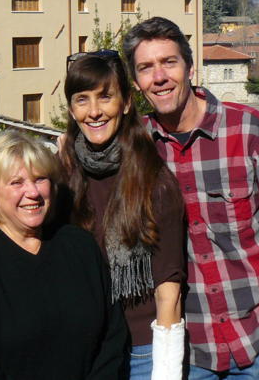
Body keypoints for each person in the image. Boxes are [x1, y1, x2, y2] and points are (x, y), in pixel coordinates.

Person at [121, 17, 259, 379]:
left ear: (190, 68)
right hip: (190, 353)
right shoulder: (137, 147)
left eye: (169, 62)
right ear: (136, 82)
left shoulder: (250, 129)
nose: (159, 77)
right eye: (146, 68)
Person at [0, 131, 128, 380]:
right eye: (16, 182)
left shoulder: (80, 246)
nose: (32, 192)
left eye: (40, 179)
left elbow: (113, 336)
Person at [60, 49, 186, 380]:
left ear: (127, 102)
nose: (94, 112)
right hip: (85, 348)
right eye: (82, 100)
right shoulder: (62, 176)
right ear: (71, 110)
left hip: (141, 351)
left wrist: (165, 372)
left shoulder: (154, 182)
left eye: (105, 97)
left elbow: (168, 290)